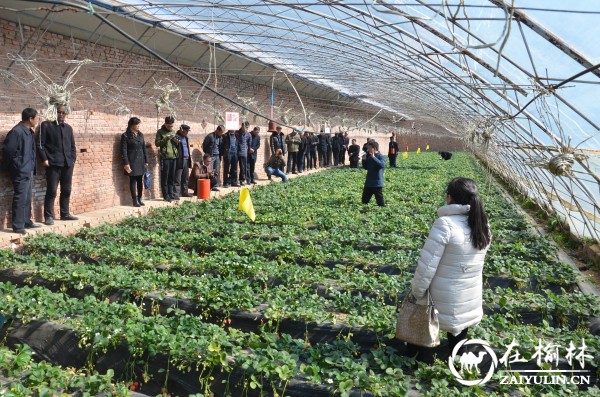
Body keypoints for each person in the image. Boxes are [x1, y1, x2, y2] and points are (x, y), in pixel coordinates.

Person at [408, 177, 492, 358]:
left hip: (442, 295)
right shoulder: (483, 225)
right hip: (469, 293)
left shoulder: (445, 224)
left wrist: (417, 291)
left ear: (450, 198)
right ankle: (459, 363)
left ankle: (417, 359)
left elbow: (427, 265)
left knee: (424, 331)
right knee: (459, 337)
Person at [1, 108, 42, 234]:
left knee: (27, 197)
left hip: (27, 169)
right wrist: (10, 166)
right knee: (20, 197)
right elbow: (8, 151)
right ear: (30, 119)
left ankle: (26, 221)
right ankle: (18, 226)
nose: (38, 120)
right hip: (20, 170)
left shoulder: (28, 131)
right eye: (37, 117)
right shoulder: (16, 132)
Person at [38, 104, 78, 225]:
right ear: (54, 112)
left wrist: (72, 160)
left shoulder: (68, 128)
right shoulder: (46, 125)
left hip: (67, 164)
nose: (61, 115)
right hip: (53, 164)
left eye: (63, 113)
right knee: (52, 190)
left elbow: (72, 146)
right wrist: (44, 159)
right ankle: (48, 216)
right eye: (59, 112)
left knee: (66, 190)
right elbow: (40, 144)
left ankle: (65, 214)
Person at [121, 117, 148, 207]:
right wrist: (126, 163)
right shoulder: (125, 135)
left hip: (140, 161)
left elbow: (144, 148)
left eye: (139, 124)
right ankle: (134, 200)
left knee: (140, 181)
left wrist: (146, 160)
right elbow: (123, 150)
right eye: (137, 124)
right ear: (132, 125)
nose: (138, 126)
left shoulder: (141, 135)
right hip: (131, 161)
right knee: (133, 181)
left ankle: (140, 198)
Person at [155, 116, 178, 202]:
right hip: (165, 157)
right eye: (168, 126)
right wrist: (166, 138)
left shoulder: (173, 131)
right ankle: (166, 195)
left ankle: (171, 194)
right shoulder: (160, 132)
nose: (170, 128)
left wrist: (176, 142)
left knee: (172, 176)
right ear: (165, 124)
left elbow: (175, 145)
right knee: (165, 177)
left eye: (171, 126)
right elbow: (157, 143)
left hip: (173, 156)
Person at [361, 142, 386, 207]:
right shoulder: (369, 156)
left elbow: (381, 165)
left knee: (380, 203)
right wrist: (364, 160)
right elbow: (366, 167)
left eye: (369, 148)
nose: (368, 149)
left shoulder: (381, 156)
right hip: (369, 182)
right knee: (364, 201)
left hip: (377, 183)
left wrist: (374, 157)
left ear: (374, 148)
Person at [174, 124, 192, 198]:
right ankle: (176, 194)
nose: (187, 132)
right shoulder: (176, 137)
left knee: (185, 177)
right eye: (186, 131)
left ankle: (185, 192)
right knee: (178, 177)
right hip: (180, 159)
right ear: (181, 130)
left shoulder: (186, 137)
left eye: (188, 131)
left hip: (186, 159)